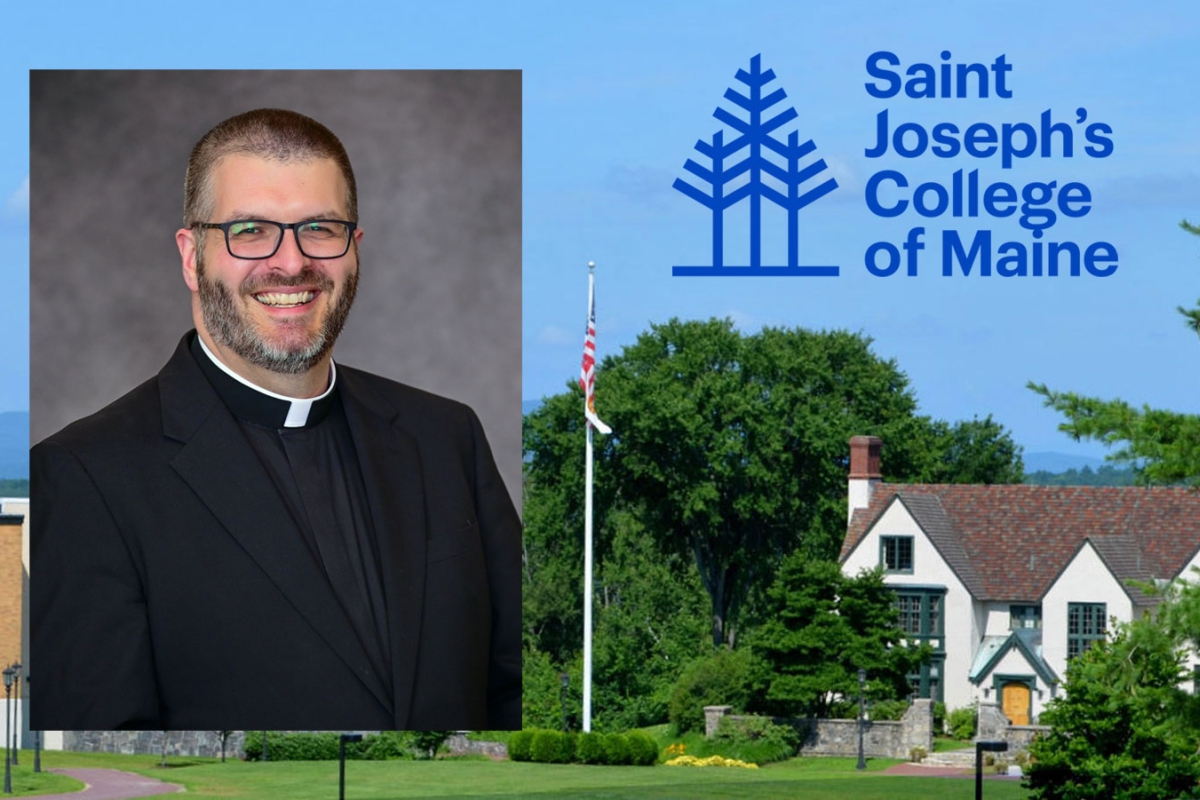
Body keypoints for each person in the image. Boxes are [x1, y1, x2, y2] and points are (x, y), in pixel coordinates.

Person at [30, 108, 522, 731]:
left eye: (319, 228)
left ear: (354, 249)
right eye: (251, 230)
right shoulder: (81, 478)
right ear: (192, 255)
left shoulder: (446, 438)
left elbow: (512, 692)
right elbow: (106, 759)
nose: (291, 263)